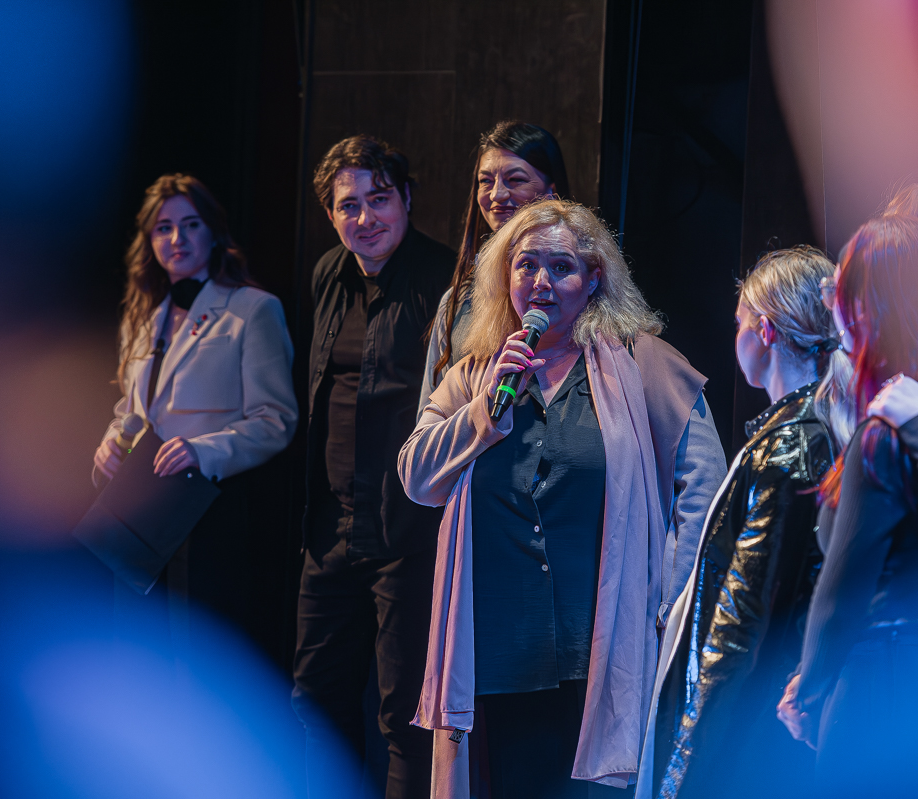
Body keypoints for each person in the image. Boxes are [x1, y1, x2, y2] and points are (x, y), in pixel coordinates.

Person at [398, 199, 726, 798]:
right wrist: (483, 413)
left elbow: (705, 487)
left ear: (594, 278)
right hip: (500, 649)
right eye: (526, 265)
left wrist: (670, 601)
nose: (540, 282)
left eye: (560, 267)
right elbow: (417, 478)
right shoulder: (476, 374)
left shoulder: (642, 362)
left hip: (604, 647)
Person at [775, 212, 918, 795]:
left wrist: (808, 687)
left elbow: (843, 591)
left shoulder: (885, 432)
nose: (833, 308)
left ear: (866, 308)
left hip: (881, 686)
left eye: (841, 292)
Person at [642, 246, 840, 799]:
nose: (737, 337)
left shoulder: (790, 447)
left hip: (754, 727)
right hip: (772, 715)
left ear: (766, 330)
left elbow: (743, 618)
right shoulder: (810, 428)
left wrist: (692, 756)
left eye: (740, 322)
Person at [292, 135, 454, 799]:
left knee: (405, 720)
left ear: (407, 199)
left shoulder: (447, 280)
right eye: (347, 205)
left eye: (379, 199)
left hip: (408, 534)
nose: (365, 217)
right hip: (330, 531)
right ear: (330, 215)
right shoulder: (328, 273)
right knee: (313, 703)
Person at [93, 173, 297, 646]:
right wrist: (110, 443)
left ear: (214, 231)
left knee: (195, 651)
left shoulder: (253, 309)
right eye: (163, 228)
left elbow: (276, 420)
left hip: (206, 513)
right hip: (138, 509)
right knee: (137, 649)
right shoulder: (142, 316)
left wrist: (203, 451)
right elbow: (131, 409)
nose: (177, 238)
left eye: (190, 224)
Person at [418, 121, 568, 418]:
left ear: (551, 191)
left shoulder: (573, 293)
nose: (497, 194)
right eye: (485, 181)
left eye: (515, 179)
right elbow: (430, 411)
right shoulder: (458, 300)